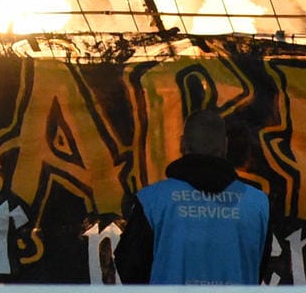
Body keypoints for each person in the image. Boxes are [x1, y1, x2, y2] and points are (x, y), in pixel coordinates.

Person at [114, 108, 268, 284]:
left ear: (182, 144)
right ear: (225, 145)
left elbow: (129, 266)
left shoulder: (153, 201)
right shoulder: (257, 204)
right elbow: (258, 267)